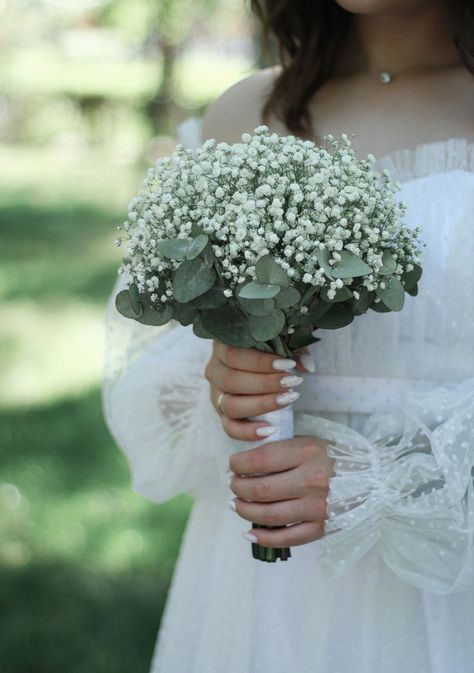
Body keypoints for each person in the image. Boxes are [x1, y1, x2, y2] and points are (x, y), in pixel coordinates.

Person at [102, 1, 474, 671]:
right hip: (260, 590)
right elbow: (154, 371)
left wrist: (382, 482)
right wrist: (219, 382)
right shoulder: (245, 112)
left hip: (444, 594)